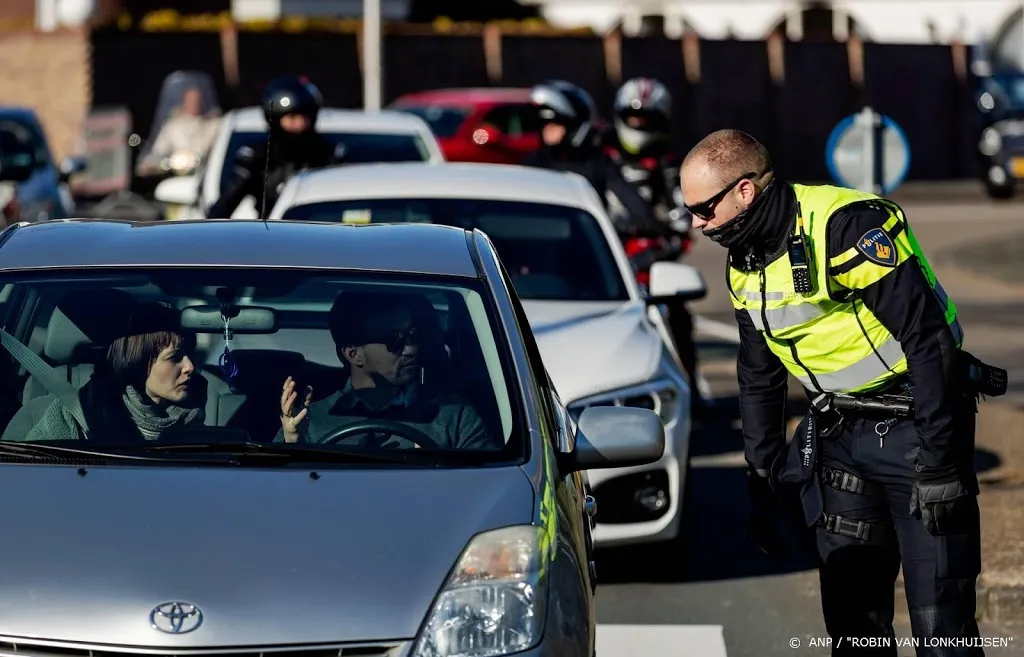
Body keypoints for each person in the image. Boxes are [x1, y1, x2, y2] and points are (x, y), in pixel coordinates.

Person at [680, 129, 1002, 656]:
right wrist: (763, 478)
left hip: (917, 429)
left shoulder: (845, 226)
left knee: (942, 631)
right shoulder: (744, 256)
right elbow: (757, 374)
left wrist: (942, 465)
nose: (697, 223)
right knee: (855, 633)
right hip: (840, 438)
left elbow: (929, 343)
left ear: (745, 192)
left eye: (704, 208)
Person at [277, 291, 499, 450]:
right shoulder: (309, 421)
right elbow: (274, 494)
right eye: (395, 340)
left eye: (412, 335)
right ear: (354, 354)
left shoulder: (454, 415)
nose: (411, 349)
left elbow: (489, 485)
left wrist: (439, 470)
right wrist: (293, 444)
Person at [604, 76, 705, 413]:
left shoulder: (671, 165)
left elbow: (684, 218)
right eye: (633, 118)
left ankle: (690, 392)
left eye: (646, 119)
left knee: (678, 319)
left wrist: (661, 243)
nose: (638, 125)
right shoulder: (603, 160)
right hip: (605, 260)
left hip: (650, 262)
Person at [22, 300, 206, 443]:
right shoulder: (79, 414)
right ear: (137, 363)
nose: (190, 366)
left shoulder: (194, 423)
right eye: (174, 357)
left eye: (190, 354)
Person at [521, 79, 669, 240]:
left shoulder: (597, 164)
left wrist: (630, 224)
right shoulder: (531, 164)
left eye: (556, 122)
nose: (548, 130)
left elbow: (636, 206)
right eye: (544, 123)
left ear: (573, 125)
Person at [207, 75, 344, 219]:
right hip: (273, 235)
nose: (300, 125)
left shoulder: (329, 154)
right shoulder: (259, 157)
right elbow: (225, 205)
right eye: (292, 119)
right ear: (276, 120)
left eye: (305, 118)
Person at [138, 85, 221, 176]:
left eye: (198, 99)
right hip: (178, 175)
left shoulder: (215, 125)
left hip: (208, 174)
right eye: (190, 99)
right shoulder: (173, 126)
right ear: (184, 101)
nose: (194, 103)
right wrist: (149, 164)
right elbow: (159, 152)